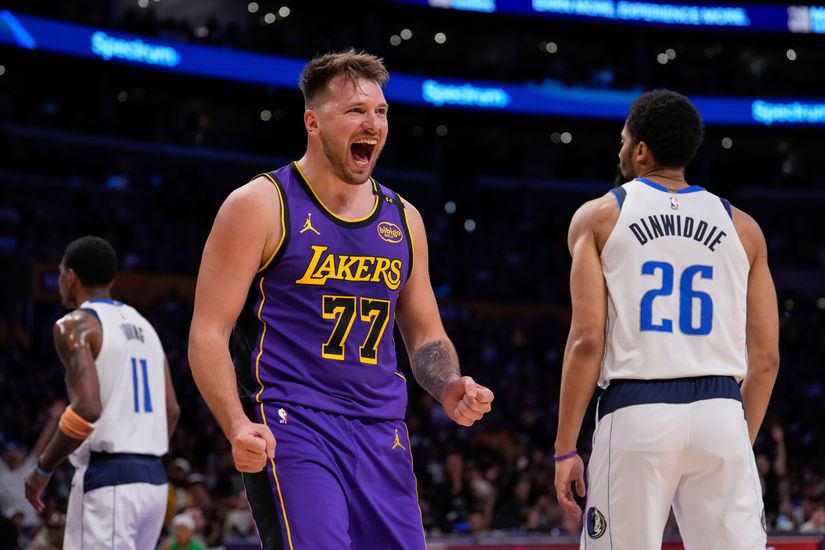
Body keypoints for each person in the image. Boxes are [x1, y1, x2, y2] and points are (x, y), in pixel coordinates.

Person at [188, 49, 495, 549]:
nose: (372, 123)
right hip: (293, 423)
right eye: (355, 110)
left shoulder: (404, 218)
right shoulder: (259, 205)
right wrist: (236, 424)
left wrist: (448, 385)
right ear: (312, 122)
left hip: (382, 430)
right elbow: (207, 333)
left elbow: (425, 334)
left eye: (381, 111)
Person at [553, 90, 779, 549]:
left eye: (622, 141)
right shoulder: (744, 228)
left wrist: (564, 448)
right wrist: (736, 438)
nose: (619, 151)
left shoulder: (599, 217)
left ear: (641, 150)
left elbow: (587, 341)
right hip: (721, 409)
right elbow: (766, 360)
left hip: (636, 410)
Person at [24, 236, 181, 549]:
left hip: (110, 481)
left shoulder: (75, 324)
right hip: (154, 480)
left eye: (60, 273)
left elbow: (87, 408)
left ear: (71, 276)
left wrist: (43, 467)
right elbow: (172, 409)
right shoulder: (145, 325)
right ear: (111, 280)